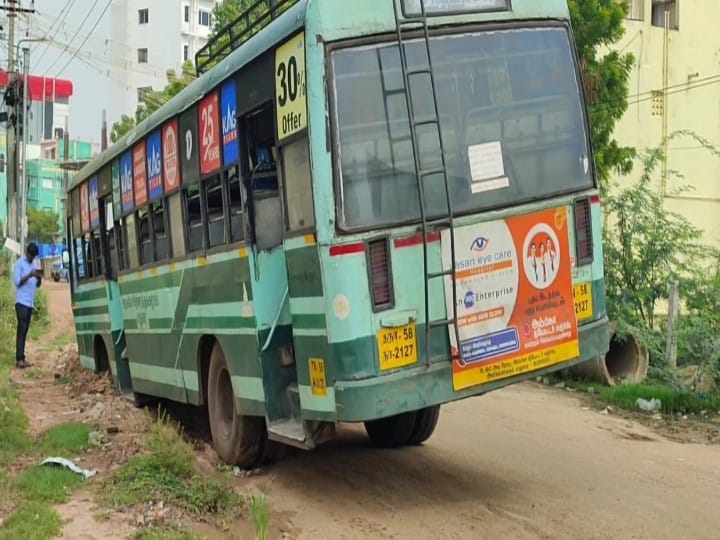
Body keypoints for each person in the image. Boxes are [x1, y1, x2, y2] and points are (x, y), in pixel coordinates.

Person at [14, 242, 42, 369]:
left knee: (25, 331)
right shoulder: (20, 263)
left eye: (34, 256)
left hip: (30, 302)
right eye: (31, 256)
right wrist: (29, 275)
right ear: (28, 253)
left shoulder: (34, 264)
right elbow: (17, 282)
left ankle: (22, 357)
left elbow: (37, 285)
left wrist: (38, 277)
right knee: (21, 329)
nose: (32, 258)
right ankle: (19, 358)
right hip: (21, 302)